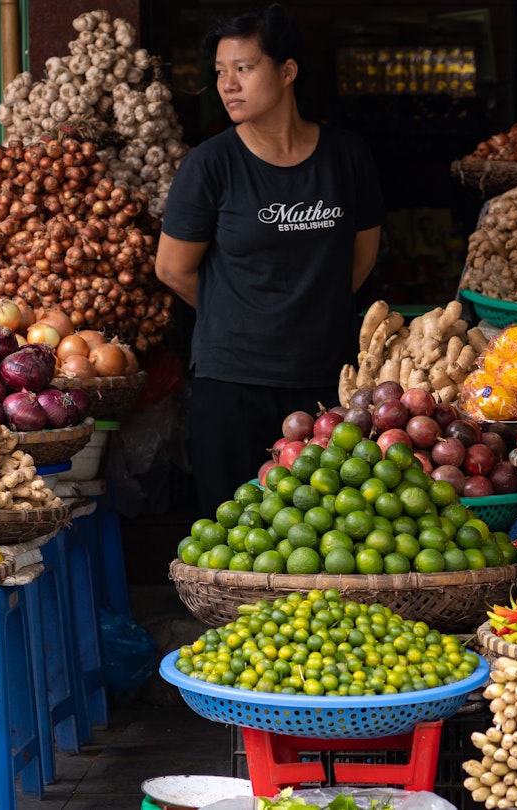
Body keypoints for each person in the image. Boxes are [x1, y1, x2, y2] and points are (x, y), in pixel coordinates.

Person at [156, 4, 385, 514]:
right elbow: (172, 268)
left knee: (325, 530)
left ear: (286, 72)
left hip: (326, 380)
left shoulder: (346, 157)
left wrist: (310, 310)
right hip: (233, 383)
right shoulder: (210, 166)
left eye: (244, 67)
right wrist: (241, 313)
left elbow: (362, 255)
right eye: (220, 72)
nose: (228, 84)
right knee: (234, 534)